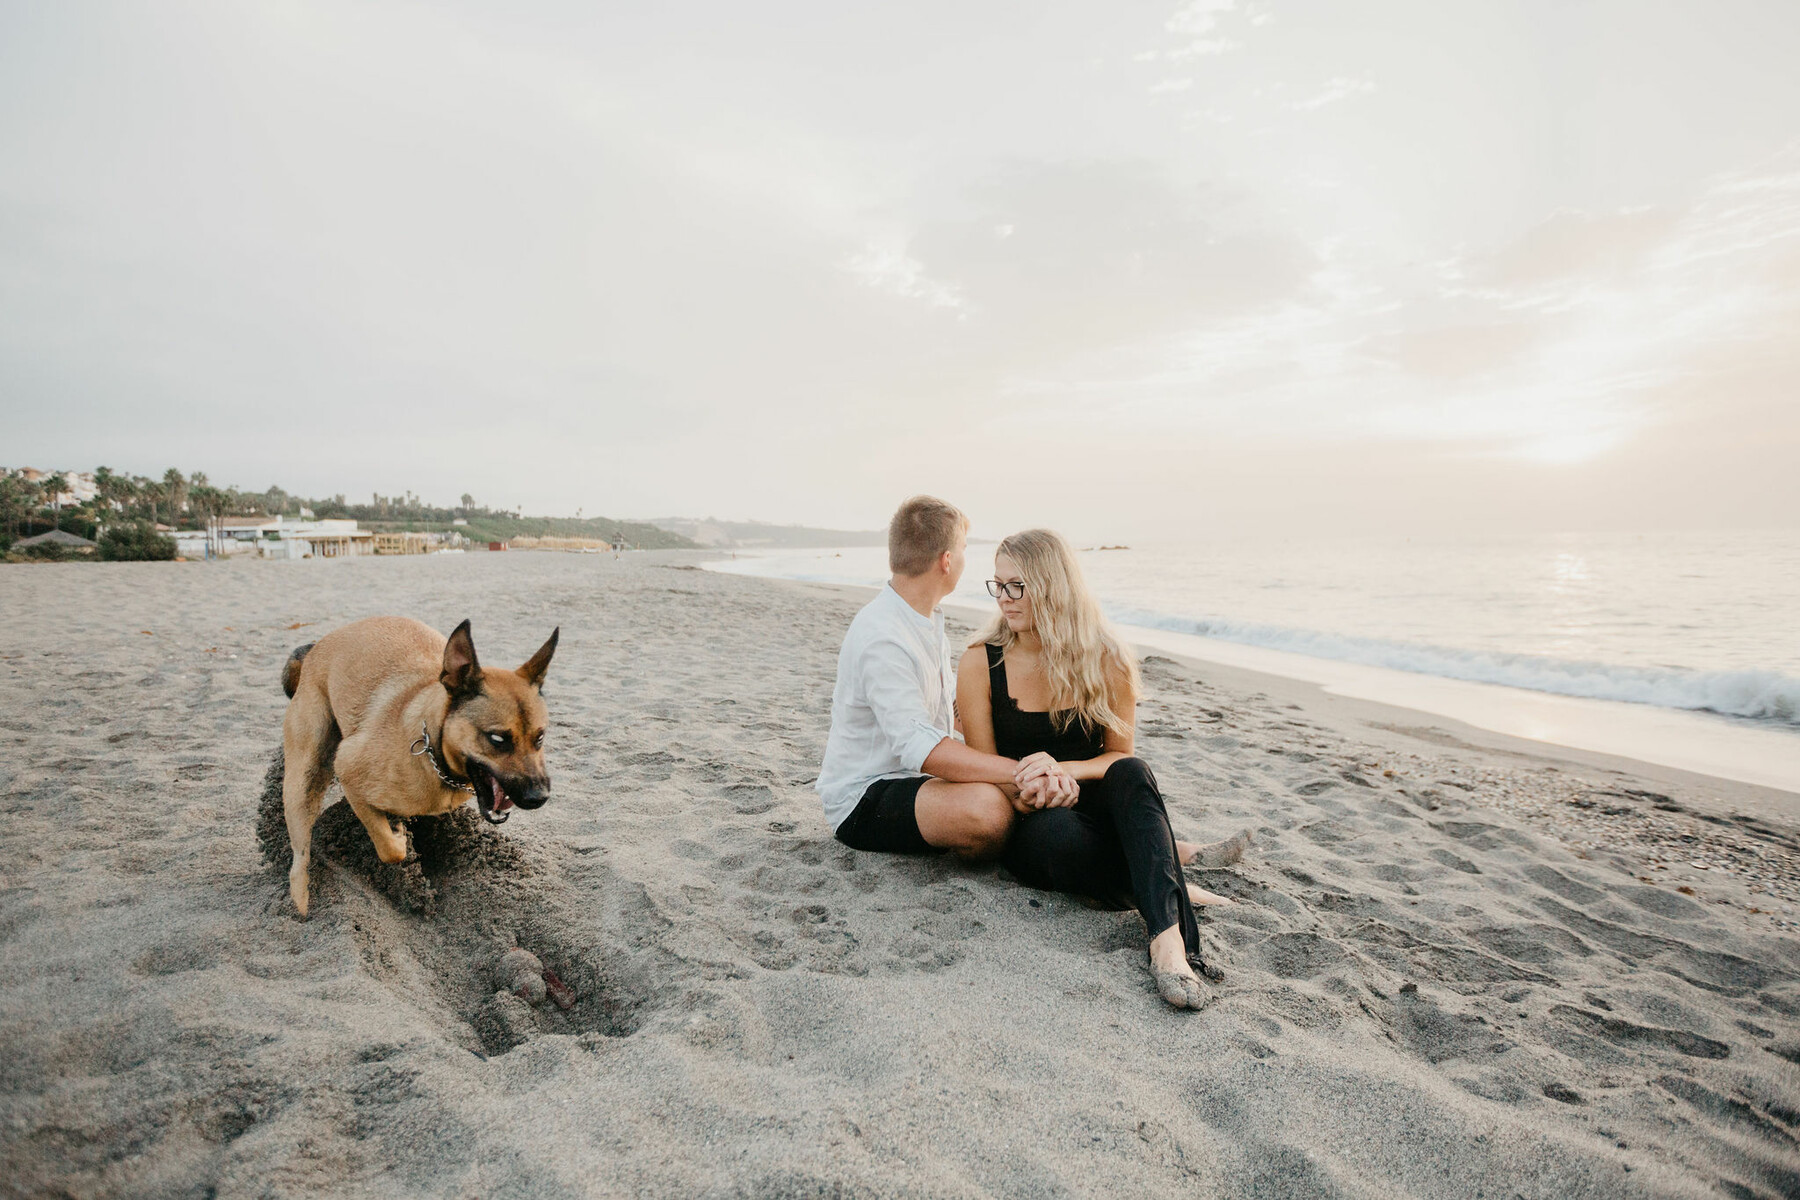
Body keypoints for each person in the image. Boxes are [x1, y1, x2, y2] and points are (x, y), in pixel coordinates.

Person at [958, 529, 1249, 1011]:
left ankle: (1169, 946)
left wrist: (1061, 768)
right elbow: (984, 767)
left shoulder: (1106, 656)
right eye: (997, 585)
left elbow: (1117, 756)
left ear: (1052, 586)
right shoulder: (979, 661)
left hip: (1097, 803)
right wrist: (1035, 790)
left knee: (1134, 772)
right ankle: (1169, 880)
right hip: (1031, 817)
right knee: (1058, 837)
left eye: (1017, 586)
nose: (1004, 599)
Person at [816, 496, 1029, 860]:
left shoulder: (925, 620)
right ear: (947, 561)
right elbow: (920, 748)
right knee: (989, 810)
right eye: (962, 549)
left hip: (917, 782)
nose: (964, 558)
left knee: (1009, 789)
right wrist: (1016, 771)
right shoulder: (882, 635)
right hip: (863, 797)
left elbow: (946, 714)